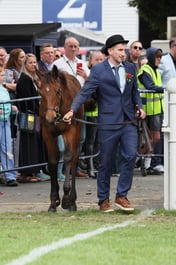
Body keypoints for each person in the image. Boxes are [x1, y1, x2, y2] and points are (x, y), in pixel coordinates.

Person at [63, 34, 146, 212]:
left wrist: (139, 106)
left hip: (128, 120)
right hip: (108, 122)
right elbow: (85, 92)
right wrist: (72, 109)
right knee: (106, 162)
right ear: (110, 51)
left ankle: (122, 195)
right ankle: (103, 200)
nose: (124, 53)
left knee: (131, 156)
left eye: (124, 50)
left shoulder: (131, 67)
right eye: (120, 50)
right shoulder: (99, 70)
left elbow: (135, 91)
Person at [53, 36, 90, 178]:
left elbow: (91, 82)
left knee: (80, 138)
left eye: (76, 46)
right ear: (65, 47)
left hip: (80, 104)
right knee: (63, 139)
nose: (74, 49)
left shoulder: (82, 63)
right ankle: (61, 170)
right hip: (65, 106)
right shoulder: (58, 64)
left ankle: (73, 167)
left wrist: (85, 76)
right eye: (71, 46)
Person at [16, 53, 50, 183]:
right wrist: (40, 111)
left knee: (34, 142)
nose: (33, 65)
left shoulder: (32, 78)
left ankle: (33, 171)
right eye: (30, 63)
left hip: (33, 114)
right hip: (29, 115)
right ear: (25, 65)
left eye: (35, 62)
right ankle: (29, 172)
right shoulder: (25, 79)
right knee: (29, 142)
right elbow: (28, 101)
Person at [137, 47, 164, 174]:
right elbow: (150, 86)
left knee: (154, 138)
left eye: (160, 57)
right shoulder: (145, 70)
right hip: (148, 110)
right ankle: (139, 156)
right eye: (157, 57)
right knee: (153, 138)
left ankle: (144, 160)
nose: (159, 59)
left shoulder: (156, 70)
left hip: (157, 109)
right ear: (152, 57)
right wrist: (165, 88)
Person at [84, 50, 105, 178]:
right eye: (96, 59)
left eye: (101, 59)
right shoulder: (90, 74)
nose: (99, 62)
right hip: (92, 111)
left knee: (99, 141)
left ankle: (97, 165)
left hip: (102, 112)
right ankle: (90, 166)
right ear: (90, 62)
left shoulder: (105, 74)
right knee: (90, 141)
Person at [0, 66, 18, 186]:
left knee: (7, 149)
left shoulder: (4, 89)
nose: (3, 77)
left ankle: (10, 176)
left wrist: (12, 109)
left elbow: (7, 104)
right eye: (1, 75)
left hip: (5, 122)